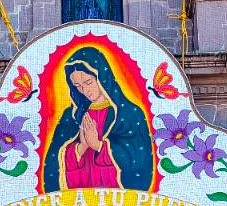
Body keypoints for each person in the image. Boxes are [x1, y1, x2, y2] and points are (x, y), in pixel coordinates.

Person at [43, 46, 154, 191]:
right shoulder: (71, 116)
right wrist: (80, 148)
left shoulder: (128, 114)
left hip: (117, 200)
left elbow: (139, 160)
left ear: (102, 77)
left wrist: (99, 146)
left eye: (88, 82)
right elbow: (53, 163)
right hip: (78, 200)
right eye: (77, 86)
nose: (84, 90)